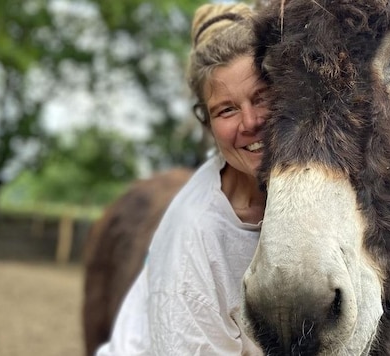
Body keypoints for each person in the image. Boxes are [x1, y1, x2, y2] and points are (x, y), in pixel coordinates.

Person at [96, 2, 268, 355]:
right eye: (227, 109)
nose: (250, 122)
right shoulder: (196, 231)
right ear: (206, 123)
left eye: (262, 97)